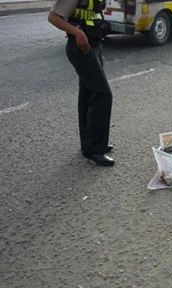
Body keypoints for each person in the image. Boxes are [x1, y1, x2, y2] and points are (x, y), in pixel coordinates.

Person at [48, 0, 114, 166]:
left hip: (94, 45)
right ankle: (95, 150)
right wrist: (77, 33)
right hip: (81, 48)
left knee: (88, 94)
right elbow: (53, 17)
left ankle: (88, 145)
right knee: (102, 94)